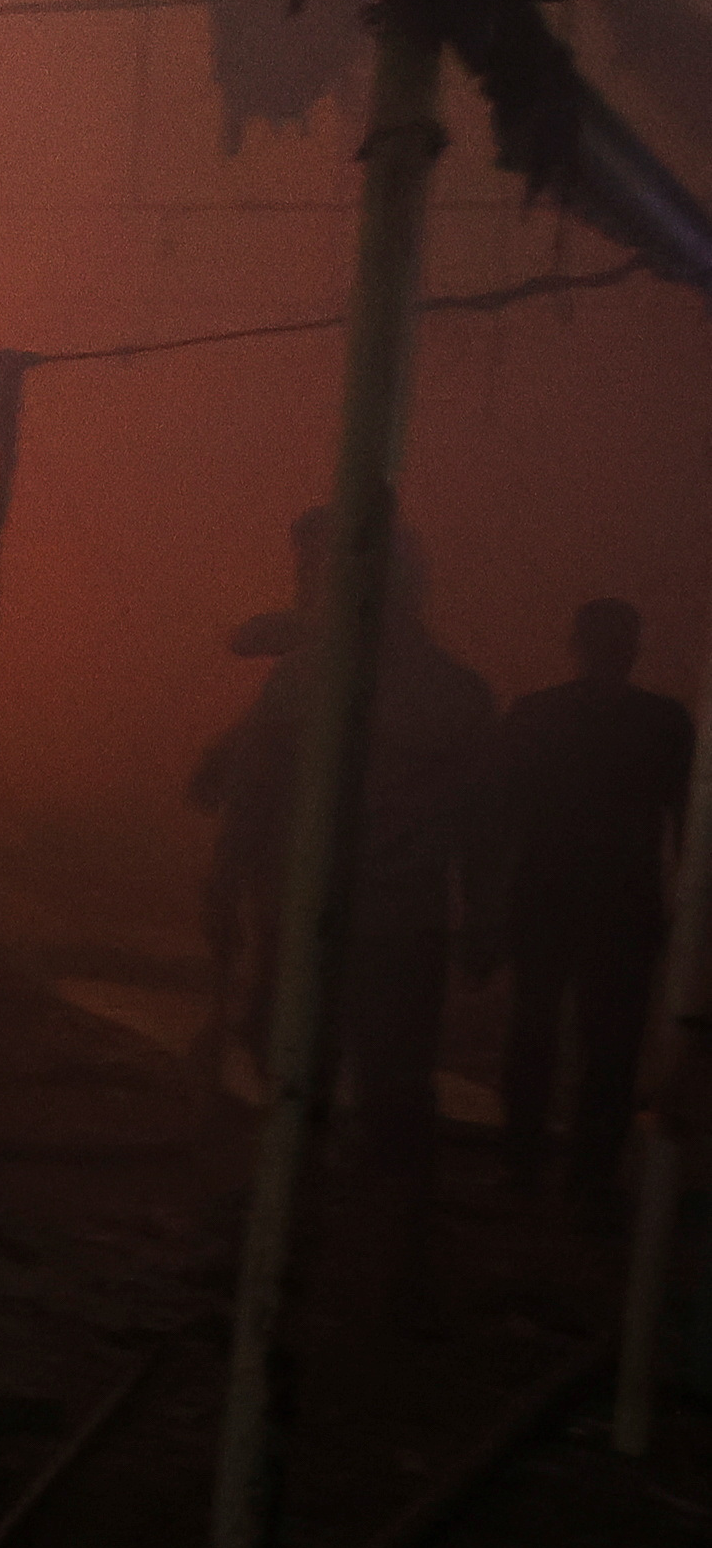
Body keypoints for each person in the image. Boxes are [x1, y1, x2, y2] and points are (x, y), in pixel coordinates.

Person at [189, 508, 500, 1284]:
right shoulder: (454, 691)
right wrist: (485, 915)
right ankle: (389, 1250)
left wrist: (226, 882)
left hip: (321, 920)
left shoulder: (309, 675)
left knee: (296, 1061)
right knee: (390, 1080)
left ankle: (307, 1225)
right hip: (400, 922)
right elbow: (483, 824)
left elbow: (246, 790)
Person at [496, 598, 693, 1217]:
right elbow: (689, 823)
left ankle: (524, 1170)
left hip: (549, 900)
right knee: (607, 1049)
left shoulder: (537, 715)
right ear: (632, 646)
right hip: (620, 907)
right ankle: (587, 1179)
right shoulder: (663, 723)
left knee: (536, 1037)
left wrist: (492, 901)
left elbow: (501, 817)